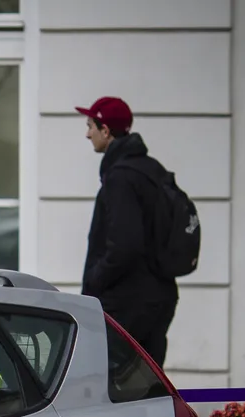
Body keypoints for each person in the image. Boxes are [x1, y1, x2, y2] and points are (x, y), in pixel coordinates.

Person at [76, 96, 178, 366]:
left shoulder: (120, 177)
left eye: (91, 126)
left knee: (114, 389)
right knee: (149, 388)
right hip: (160, 297)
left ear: (106, 130)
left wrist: (94, 282)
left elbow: (125, 245)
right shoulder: (152, 169)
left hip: (128, 304)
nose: (88, 134)